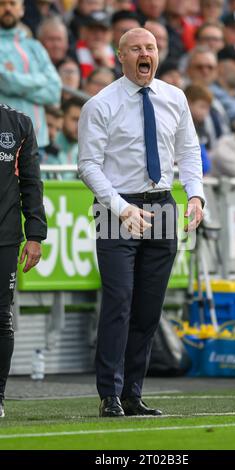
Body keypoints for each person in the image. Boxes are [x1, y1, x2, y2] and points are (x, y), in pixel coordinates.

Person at [78, 27, 204, 417]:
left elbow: (189, 149)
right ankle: (109, 395)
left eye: (150, 47)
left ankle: (133, 392)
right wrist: (120, 207)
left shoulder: (175, 97)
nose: (144, 53)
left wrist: (196, 195)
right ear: (121, 56)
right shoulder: (100, 104)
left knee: (149, 308)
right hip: (120, 208)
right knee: (118, 302)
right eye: (136, 49)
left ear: (157, 53)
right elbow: (87, 166)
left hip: (163, 205)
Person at [0, 103, 47, 418]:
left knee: (1, 318)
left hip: (4, 237)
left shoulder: (18, 123)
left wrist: (35, 235)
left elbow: (31, 182)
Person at [0, 0, 61, 148]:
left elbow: (54, 91)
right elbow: (4, 81)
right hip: (4, 141)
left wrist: (15, 87)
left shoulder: (35, 47)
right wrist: (40, 80)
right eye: (2, 4)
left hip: (37, 141)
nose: (7, 8)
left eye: (12, 3)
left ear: (22, 9)